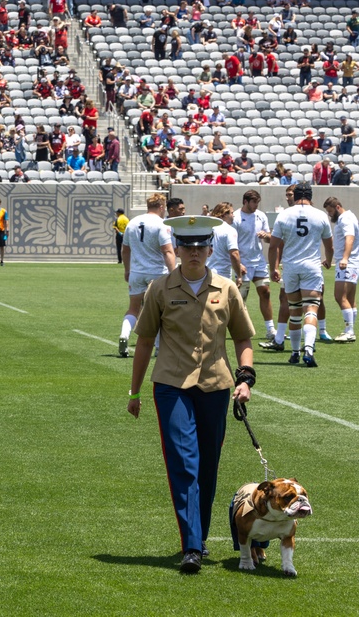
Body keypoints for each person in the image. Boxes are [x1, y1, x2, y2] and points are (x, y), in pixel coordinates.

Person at [127, 215, 255, 575]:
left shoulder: (227, 288)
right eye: (188, 246)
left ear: (210, 249)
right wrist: (134, 390)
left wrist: (246, 378)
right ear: (177, 250)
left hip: (215, 386)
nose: (194, 253)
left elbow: (243, 338)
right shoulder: (160, 288)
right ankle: (192, 546)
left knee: (208, 467)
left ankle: (198, 535)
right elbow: (145, 341)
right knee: (184, 463)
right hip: (171, 386)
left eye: (201, 246)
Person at [269, 183, 333, 366]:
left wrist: (274, 267)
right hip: (311, 267)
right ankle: (309, 349)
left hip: (290, 267)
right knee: (311, 308)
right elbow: (329, 246)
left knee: (295, 310)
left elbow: (273, 245)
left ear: (295, 196)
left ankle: (295, 352)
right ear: (311, 196)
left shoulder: (284, 215)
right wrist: (328, 260)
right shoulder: (320, 215)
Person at [119, 193, 176, 358]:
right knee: (159, 311)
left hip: (137, 273)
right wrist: (174, 274)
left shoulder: (133, 222)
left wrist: (127, 270)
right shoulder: (162, 224)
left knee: (133, 308)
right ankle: (159, 347)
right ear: (161, 206)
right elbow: (167, 251)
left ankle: (124, 334)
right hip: (157, 273)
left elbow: (125, 250)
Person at [233, 190, 276, 341]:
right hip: (242, 262)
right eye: (254, 202)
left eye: (258, 202)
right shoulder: (235, 217)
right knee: (240, 298)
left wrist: (267, 236)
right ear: (245, 201)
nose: (256, 205)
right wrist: (238, 264)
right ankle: (239, 329)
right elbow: (231, 243)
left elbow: (270, 238)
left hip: (259, 261)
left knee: (265, 292)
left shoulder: (261, 215)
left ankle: (271, 329)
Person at [324, 196, 359, 342]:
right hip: (352, 262)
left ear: (338, 207)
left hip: (347, 263)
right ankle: (350, 330)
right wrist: (330, 259)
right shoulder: (349, 217)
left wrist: (344, 258)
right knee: (350, 299)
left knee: (340, 296)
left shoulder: (345, 218)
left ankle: (349, 331)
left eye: (331, 211)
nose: (330, 214)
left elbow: (349, 238)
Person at [207, 202, 241, 284]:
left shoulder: (207, 228)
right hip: (222, 275)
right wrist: (239, 275)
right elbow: (234, 254)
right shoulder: (229, 230)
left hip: (206, 273)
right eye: (232, 213)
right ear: (225, 214)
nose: (233, 215)